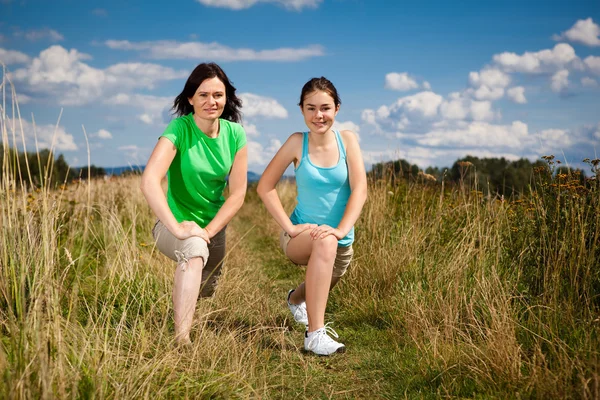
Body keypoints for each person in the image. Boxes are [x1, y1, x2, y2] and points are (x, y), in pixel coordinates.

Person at [257, 77, 367, 356]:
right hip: (299, 235)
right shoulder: (297, 142)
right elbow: (265, 186)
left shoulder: (348, 140)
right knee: (324, 243)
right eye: (311, 108)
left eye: (325, 108)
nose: (319, 115)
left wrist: (340, 230)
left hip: (341, 238)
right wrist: (290, 228)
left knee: (324, 272)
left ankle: (295, 299)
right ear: (302, 110)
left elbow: (360, 190)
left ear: (337, 109)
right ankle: (314, 335)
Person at [140, 62, 247, 345]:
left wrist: (208, 232)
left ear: (227, 98)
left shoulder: (235, 135)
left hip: (213, 227)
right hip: (174, 224)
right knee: (194, 251)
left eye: (218, 95)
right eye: (203, 95)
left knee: (207, 286)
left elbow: (237, 194)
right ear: (190, 98)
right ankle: (182, 340)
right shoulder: (179, 128)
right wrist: (177, 227)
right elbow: (150, 180)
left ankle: (181, 300)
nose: (211, 101)